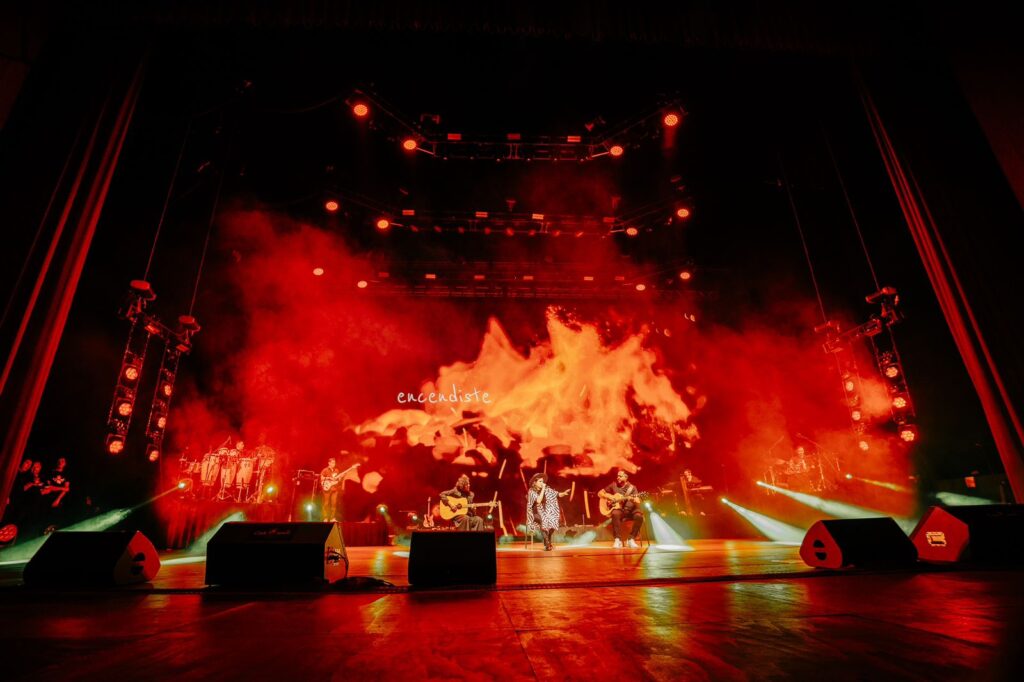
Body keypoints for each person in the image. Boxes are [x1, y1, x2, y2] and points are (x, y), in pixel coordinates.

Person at [599, 469, 644, 549]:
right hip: (620, 510)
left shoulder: (632, 488)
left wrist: (634, 499)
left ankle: (631, 539)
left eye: (620, 476)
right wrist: (610, 497)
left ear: (626, 477)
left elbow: (637, 500)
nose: (618, 478)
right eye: (617, 476)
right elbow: (600, 493)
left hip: (631, 510)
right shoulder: (613, 485)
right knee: (615, 513)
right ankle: (618, 539)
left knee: (639, 516)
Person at [526, 473, 567, 550]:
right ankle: (547, 544)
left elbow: (556, 494)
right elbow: (538, 500)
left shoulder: (546, 489)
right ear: (535, 483)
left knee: (554, 520)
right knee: (543, 520)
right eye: (540, 481)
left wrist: (563, 493)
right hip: (534, 513)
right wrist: (543, 490)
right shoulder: (531, 491)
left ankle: (548, 538)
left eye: (543, 481)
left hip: (544, 512)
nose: (542, 483)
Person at [320, 457, 342, 522]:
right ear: (329, 463)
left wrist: (339, 478)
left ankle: (332, 518)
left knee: (334, 504)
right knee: (326, 503)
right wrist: (328, 478)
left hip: (334, 489)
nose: (334, 464)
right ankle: (325, 518)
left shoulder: (337, 470)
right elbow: (321, 478)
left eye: (334, 463)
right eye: (332, 462)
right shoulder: (325, 470)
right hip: (327, 489)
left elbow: (338, 480)